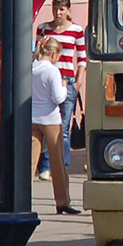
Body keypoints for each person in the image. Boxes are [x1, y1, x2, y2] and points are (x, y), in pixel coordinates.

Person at [35, 0, 87, 181]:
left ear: (68, 11)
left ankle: (62, 166)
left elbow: (82, 58)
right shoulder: (43, 29)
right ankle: (45, 166)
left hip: (66, 80)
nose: (58, 13)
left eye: (62, 9)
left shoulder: (76, 30)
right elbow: (37, 53)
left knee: (64, 127)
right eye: (56, 8)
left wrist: (78, 81)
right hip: (46, 79)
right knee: (46, 124)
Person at [32, 38, 80, 215]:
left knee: (30, 161)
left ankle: (24, 200)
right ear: (53, 53)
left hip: (33, 117)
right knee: (57, 162)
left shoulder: (31, 68)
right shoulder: (52, 71)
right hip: (50, 119)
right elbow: (58, 98)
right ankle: (62, 201)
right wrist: (65, 87)